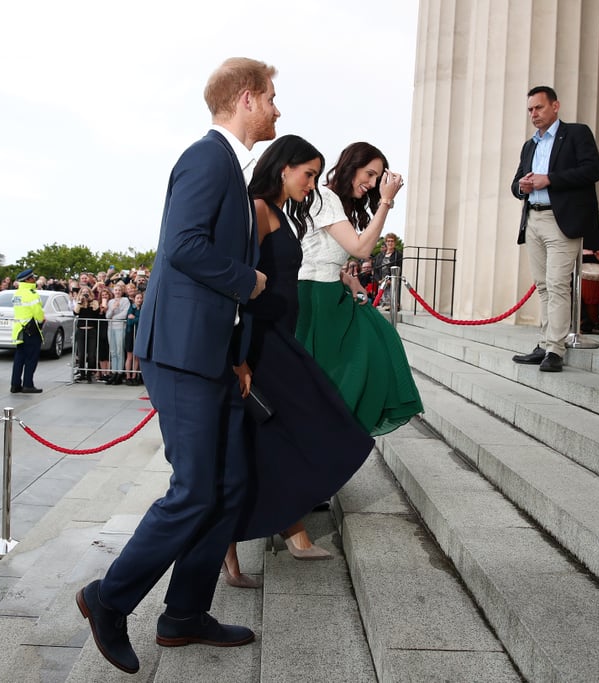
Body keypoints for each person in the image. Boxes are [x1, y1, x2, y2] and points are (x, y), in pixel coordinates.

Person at [75, 57, 275, 675]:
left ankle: (185, 614)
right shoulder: (206, 157)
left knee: (231, 483)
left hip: (210, 356)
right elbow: (181, 246)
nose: (276, 108)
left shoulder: (229, 170)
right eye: (271, 97)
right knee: (193, 490)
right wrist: (252, 281)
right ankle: (108, 599)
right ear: (246, 99)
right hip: (183, 354)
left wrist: (239, 356)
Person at [223, 135, 377, 587]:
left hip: (280, 338)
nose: (313, 184)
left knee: (287, 433)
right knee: (274, 433)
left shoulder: (286, 212)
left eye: (315, 175)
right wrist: (239, 359)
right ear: (284, 166)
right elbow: (235, 287)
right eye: (308, 174)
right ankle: (239, 546)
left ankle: (286, 528)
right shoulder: (255, 209)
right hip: (260, 344)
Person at [297, 141, 423, 436]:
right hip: (313, 298)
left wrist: (349, 279)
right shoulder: (324, 196)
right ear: (351, 166)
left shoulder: (336, 203)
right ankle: (332, 439)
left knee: (374, 345)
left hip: (329, 292)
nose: (372, 183)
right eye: (369, 174)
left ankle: (338, 438)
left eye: (378, 179)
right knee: (340, 371)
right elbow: (362, 249)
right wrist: (386, 201)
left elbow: (322, 252)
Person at [509, 86, 599, 372]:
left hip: (562, 220)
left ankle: (555, 350)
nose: (534, 114)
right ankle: (545, 342)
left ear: (555, 106)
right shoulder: (530, 145)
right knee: (543, 286)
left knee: (559, 284)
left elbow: (592, 171)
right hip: (533, 219)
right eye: (530, 110)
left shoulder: (577, 134)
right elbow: (515, 185)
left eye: (538, 108)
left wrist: (549, 179)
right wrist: (522, 186)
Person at [9, 269, 45, 394]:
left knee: (19, 358)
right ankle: (28, 385)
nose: (34, 279)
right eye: (32, 278)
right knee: (31, 359)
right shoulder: (32, 294)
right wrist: (41, 319)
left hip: (19, 329)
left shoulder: (17, 293)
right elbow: (38, 314)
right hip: (31, 329)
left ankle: (15, 385)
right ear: (27, 280)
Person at [73, 285, 102, 382]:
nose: (85, 294)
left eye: (87, 292)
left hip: (91, 330)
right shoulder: (79, 303)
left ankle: (89, 374)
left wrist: (90, 302)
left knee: (91, 354)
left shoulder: (94, 302)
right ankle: (82, 373)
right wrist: (80, 303)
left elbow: (96, 313)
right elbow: (75, 313)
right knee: (81, 354)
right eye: (83, 292)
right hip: (81, 330)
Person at [104, 283, 130, 385]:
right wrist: (113, 308)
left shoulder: (125, 301)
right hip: (111, 328)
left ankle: (119, 373)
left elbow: (125, 313)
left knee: (119, 351)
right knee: (113, 351)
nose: (117, 292)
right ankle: (114, 372)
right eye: (116, 290)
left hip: (120, 327)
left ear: (122, 291)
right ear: (113, 291)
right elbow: (107, 315)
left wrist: (114, 317)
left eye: (119, 290)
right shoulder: (110, 302)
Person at [372, 233, 403, 309]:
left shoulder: (398, 255)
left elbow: (400, 268)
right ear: (385, 242)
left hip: (392, 282)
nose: (390, 243)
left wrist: (392, 280)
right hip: (381, 281)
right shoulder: (380, 255)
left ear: (395, 242)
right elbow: (375, 269)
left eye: (392, 241)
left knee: (390, 303)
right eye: (388, 241)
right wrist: (378, 280)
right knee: (381, 301)